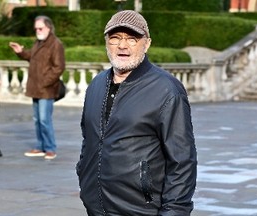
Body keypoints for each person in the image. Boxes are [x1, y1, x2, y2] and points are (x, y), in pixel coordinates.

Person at [76, 10, 197, 216]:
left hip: (141, 210)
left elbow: (182, 161)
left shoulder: (166, 90)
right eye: (115, 38)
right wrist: (84, 176)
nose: (122, 46)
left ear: (147, 44)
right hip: (95, 208)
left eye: (132, 39)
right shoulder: (96, 85)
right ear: (106, 42)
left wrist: (174, 212)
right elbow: (89, 140)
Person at [9, 15, 65, 160]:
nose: (38, 31)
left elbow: (59, 67)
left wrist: (44, 82)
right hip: (36, 88)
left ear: (49, 27)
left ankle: (50, 148)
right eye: (36, 29)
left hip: (46, 89)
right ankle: (41, 146)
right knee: (37, 119)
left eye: (40, 28)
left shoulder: (55, 44)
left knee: (45, 119)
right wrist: (20, 52)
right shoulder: (39, 43)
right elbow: (32, 57)